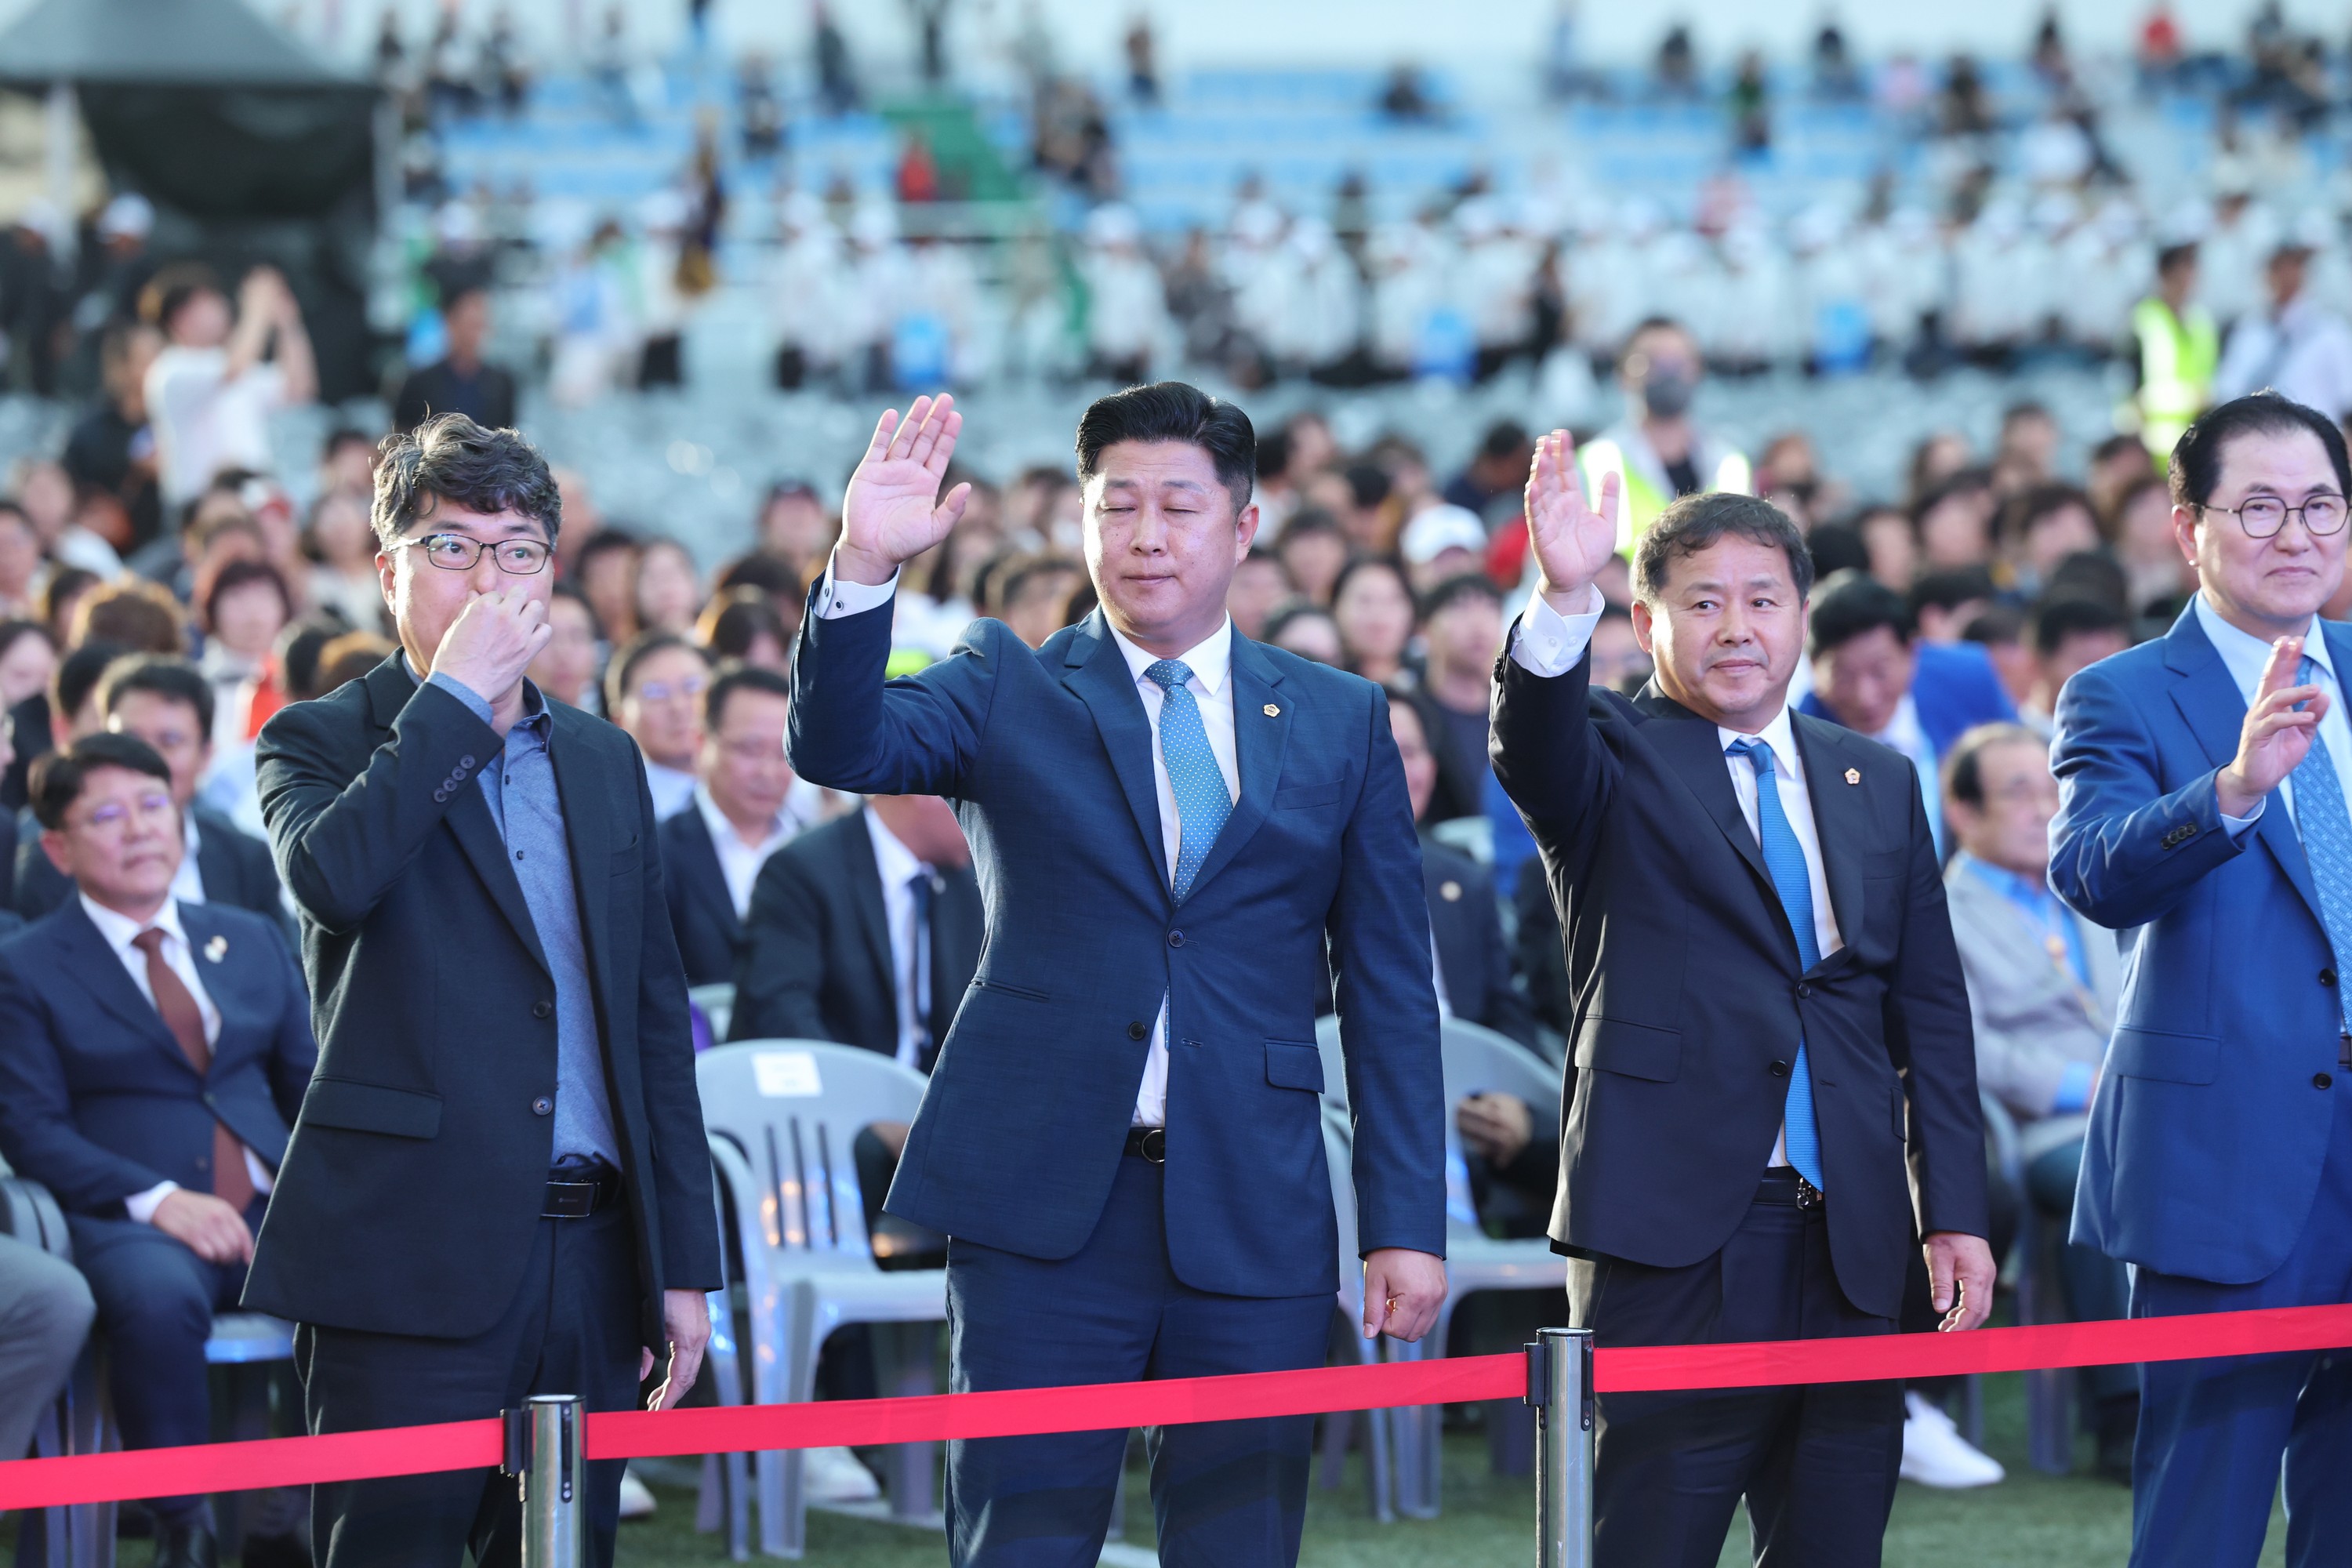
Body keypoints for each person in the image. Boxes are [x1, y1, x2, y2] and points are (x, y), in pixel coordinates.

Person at [788, 387, 1446, 1566]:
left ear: (1243, 528)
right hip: (1043, 1210)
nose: (1145, 534)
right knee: (1023, 1542)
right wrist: (862, 569)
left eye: (1178, 506)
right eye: (1117, 505)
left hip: (1253, 1203)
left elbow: (1389, 989)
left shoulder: (1342, 720)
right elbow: (841, 746)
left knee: (1238, 1544)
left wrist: (1406, 1222)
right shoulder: (1004, 683)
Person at [1494, 440, 1991, 1568]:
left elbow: (1932, 1013)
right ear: (1648, 615)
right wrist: (1562, 595)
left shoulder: (1877, 777)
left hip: (1856, 1233)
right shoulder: (1611, 756)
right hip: (1674, 1231)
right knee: (1650, 1540)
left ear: (1801, 615)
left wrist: (1950, 1207)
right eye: (1703, 601)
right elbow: (1532, 748)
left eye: (1763, 600)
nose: (1735, 627)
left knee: (1833, 1543)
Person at [245, 413, 720, 1566]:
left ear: (551, 573)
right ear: (387, 569)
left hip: (594, 1252)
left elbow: (655, 1017)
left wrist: (684, 1265)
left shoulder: (605, 758)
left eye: (516, 549)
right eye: (450, 547)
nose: (487, 576)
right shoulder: (314, 738)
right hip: (406, 1247)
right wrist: (453, 699)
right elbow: (335, 880)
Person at [2049, 391, 2352, 1566]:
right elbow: (2090, 872)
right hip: (2225, 1152)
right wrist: (2229, 793)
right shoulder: (2125, 692)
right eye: (2261, 506)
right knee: (2201, 1520)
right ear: (2188, 529)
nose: (2296, 535)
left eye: (2320, 505)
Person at [0, 733, 316, 1568]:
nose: (140, 829)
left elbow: (310, 1085)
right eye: (107, 814)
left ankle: (310, 1508)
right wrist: (159, 1199)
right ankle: (185, 1522)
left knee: (381, 1270)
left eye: (153, 804)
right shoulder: (25, 967)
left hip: (268, 1206)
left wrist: (320, 1187)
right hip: (125, 1216)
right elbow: (31, 1128)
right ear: (59, 847)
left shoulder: (247, 936)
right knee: (157, 1292)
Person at [1941, 723, 2137, 1482]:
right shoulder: (1943, 907)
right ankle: (2123, 1409)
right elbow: (1962, 1043)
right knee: (2110, 1168)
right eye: (2017, 790)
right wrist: (2081, 1085)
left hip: (2131, 1096)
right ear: (1963, 811)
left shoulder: (2082, 887)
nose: (2042, 807)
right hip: (2041, 1121)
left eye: (2050, 787)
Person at [13, 655, 283, 924]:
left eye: (170, 741)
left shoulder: (244, 856)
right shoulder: (52, 858)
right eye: (130, 740)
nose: (146, 758)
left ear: (205, 756)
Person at [659, 662, 818, 987]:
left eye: (784, 754)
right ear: (702, 742)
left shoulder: (818, 849)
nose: (767, 772)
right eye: (750, 749)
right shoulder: (658, 850)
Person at [141, 266, 316, 512]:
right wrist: (258, 306)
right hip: (204, 508)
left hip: (255, 502)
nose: (223, 307)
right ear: (181, 317)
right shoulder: (171, 369)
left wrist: (288, 323)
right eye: (209, 302)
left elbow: (299, 389)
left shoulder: (234, 368)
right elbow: (234, 368)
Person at [1577, 318, 1751, 552]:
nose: (1669, 372)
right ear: (1623, 375)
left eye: (1680, 361)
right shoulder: (1595, 461)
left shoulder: (1730, 462)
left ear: (1698, 371)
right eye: (1652, 361)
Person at [2213, 238, 2352, 422]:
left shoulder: (2331, 333)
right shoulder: (2250, 330)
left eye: (2293, 266)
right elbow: (2227, 390)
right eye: (2278, 267)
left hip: (2318, 442)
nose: (2285, 275)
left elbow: (2347, 398)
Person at [1414, 572, 1508, 824]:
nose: (1478, 624)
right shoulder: (1409, 715)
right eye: (1460, 608)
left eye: (1490, 608)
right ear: (1424, 630)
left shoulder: (1514, 712)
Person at [605, 631, 710, 820]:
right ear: (620, 720)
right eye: (656, 693)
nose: (678, 707)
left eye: (692, 686)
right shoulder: (616, 811)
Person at [393, 284, 519, 434]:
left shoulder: (501, 383)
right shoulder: (419, 383)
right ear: (450, 322)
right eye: (470, 325)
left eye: (480, 325)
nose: (476, 335)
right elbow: (402, 435)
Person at [2134, 241, 2219, 460]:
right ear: (2164, 273)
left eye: (2191, 267)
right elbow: (2130, 385)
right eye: (2182, 268)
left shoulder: (2201, 321)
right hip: (2153, 442)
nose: (2187, 277)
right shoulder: (2144, 319)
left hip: (2196, 439)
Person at [2020, 595, 2134, 738]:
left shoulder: (2134, 741)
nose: (2107, 680)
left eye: (2117, 666)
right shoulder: (2015, 740)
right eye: (2089, 665)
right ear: (2037, 663)